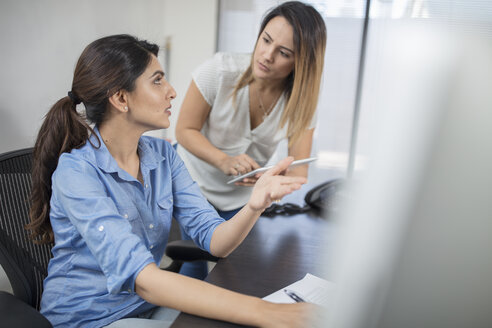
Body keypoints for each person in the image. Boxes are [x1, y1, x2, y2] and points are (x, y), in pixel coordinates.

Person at [27, 34, 314, 328]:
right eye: (157, 81)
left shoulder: (164, 155)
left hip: (145, 306)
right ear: (121, 98)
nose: (172, 91)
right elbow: (144, 279)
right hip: (90, 318)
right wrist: (265, 311)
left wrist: (256, 204)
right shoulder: (77, 173)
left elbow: (216, 242)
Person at [175, 1, 327, 279]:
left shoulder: (301, 102)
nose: (267, 55)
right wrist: (224, 160)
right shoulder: (219, 71)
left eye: (283, 53)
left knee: (233, 270)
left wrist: (269, 180)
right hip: (193, 183)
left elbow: (299, 171)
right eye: (265, 40)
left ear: (301, 62)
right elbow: (184, 130)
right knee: (195, 262)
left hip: (241, 198)